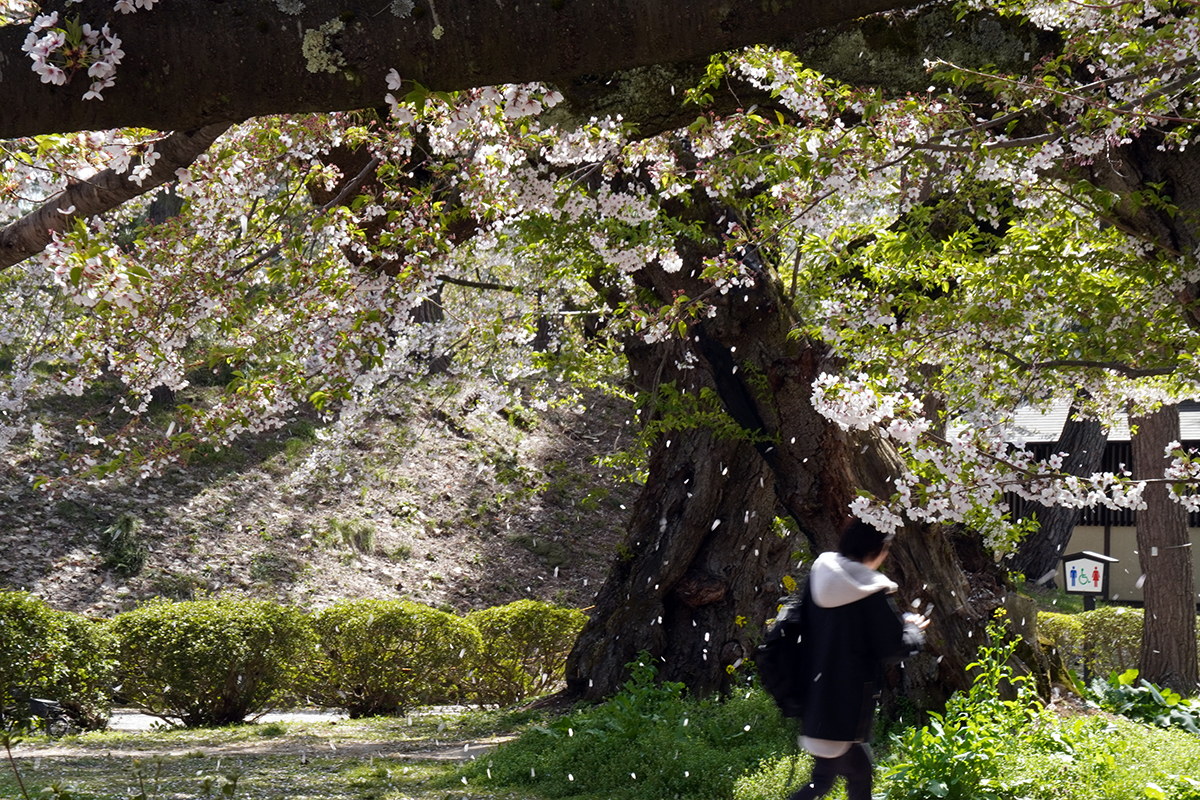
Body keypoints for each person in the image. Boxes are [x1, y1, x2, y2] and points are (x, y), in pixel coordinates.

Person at [788, 519, 928, 800]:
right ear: (877, 551)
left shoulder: (819, 575)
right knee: (843, 779)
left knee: (839, 776)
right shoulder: (869, 592)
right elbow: (893, 648)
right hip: (844, 705)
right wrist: (913, 628)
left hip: (814, 698)